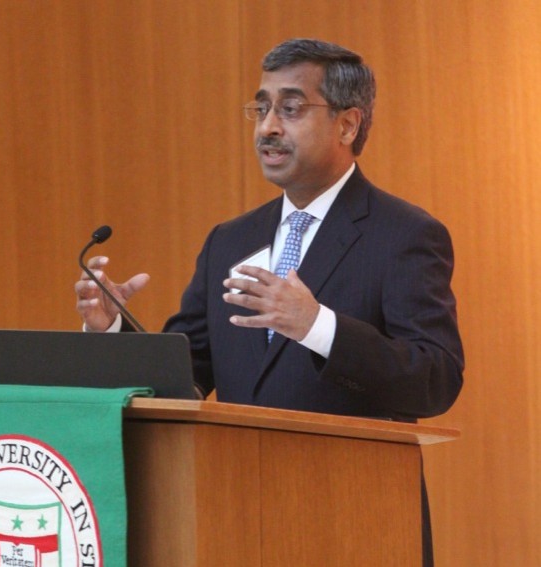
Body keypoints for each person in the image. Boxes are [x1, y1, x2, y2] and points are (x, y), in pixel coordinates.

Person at [75, 38, 464, 567]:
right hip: (233, 517)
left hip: (356, 521)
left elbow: (435, 379)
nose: (267, 127)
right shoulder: (230, 240)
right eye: (261, 108)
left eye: (290, 108)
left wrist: (318, 327)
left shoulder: (403, 234)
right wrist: (113, 333)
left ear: (347, 125)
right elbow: (188, 372)